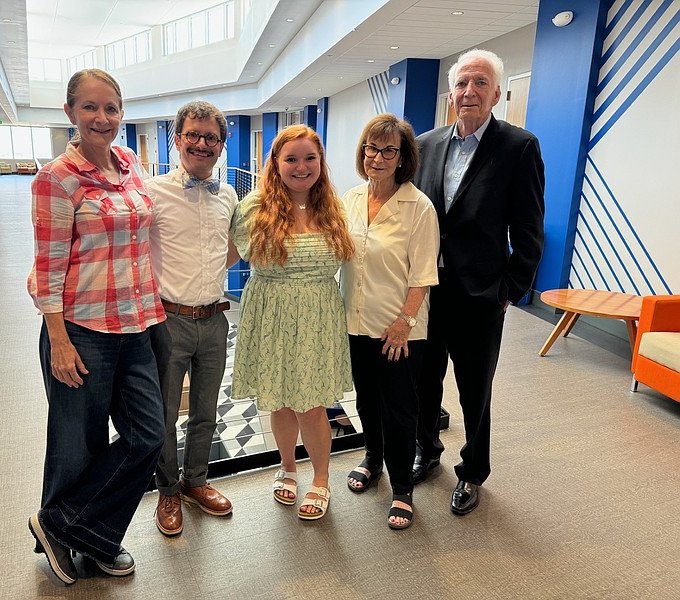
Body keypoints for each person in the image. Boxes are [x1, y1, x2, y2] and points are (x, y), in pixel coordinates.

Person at [26, 69, 166, 585]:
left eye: (111, 108)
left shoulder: (129, 163)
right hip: (81, 330)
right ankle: (74, 537)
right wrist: (58, 341)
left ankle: (71, 526)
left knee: (147, 436)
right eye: (90, 107)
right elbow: (47, 267)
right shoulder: (56, 179)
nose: (102, 118)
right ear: (70, 113)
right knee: (75, 444)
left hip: (136, 325)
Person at [413, 49, 545, 515]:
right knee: (423, 382)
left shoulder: (518, 146)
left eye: (480, 83)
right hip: (427, 292)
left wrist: (510, 289)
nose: (469, 92)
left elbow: (530, 230)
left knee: (475, 391)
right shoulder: (425, 144)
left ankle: (473, 472)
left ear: (496, 92)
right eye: (462, 83)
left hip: (481, 295)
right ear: (451, 92)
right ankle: (426, 451)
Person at [230, 125, 354, 521]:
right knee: (280, 399)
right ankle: (287, 466)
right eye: (291, 159)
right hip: (269, 312)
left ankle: (321, 478)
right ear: (276, 164)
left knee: (313, 404)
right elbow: (222, 256)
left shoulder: (333, 207)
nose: (301, 167)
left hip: (318, 313)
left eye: (309, 158)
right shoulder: (254, 207)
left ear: (320, 162)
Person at [341, 113, 439, 530]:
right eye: (371, 148)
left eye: (388, 150)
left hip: (398, 330)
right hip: (355, 323)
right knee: (365, 400)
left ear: (402, 158)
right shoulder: (349, 198)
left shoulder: (418, 207)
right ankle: (372, 459)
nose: (377, 157)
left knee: (400, 408)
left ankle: (402, 488)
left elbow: (423, 274)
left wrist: (404, 321)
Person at [147, 100, 238, 537]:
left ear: (222, 145)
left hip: (215, 320)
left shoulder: (229, 195)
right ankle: (167, 489)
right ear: (178, 139)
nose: (202, 144)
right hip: (169, 320)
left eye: (211, 138)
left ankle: (196, 481)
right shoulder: (152, 191)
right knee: (164, 414)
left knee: (206, 409)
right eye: (194, 135)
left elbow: (233, 247)